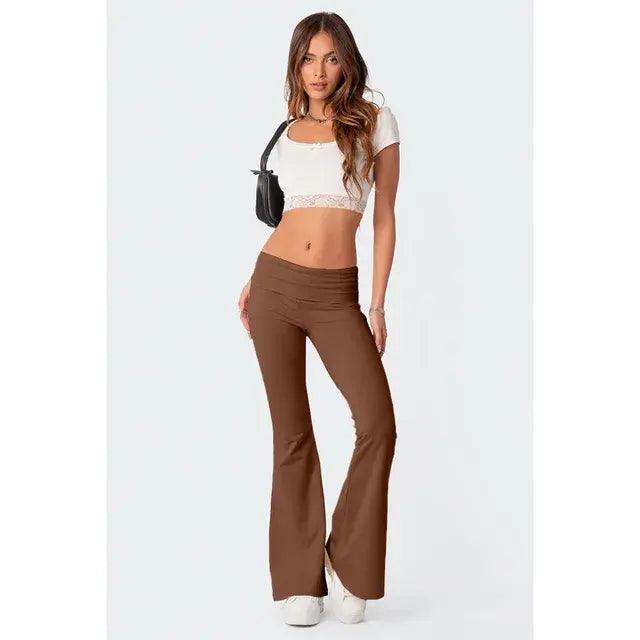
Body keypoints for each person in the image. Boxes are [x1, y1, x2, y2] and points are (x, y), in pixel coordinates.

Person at [238, 12, 400, 626]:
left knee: (377, 424)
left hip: (337, 295)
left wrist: (377, 304)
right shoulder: (286, 130)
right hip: (274, 287)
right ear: (295, 64)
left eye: (331, 58)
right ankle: (297, 580)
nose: (319, 71)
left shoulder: (375, 122)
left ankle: (347, 561)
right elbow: (290, 217)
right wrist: (253, 280)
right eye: (308, 58)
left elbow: (384, 219)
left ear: (347, 61)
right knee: (291, 434)